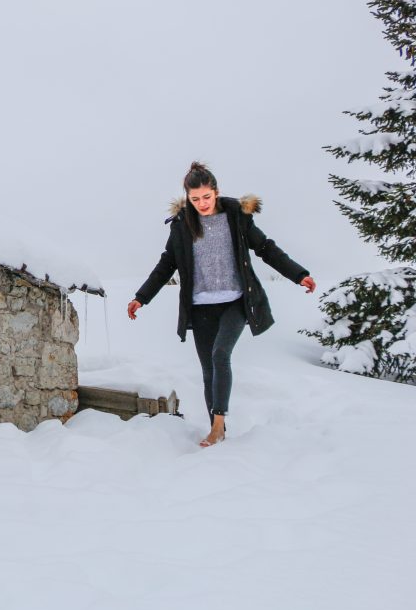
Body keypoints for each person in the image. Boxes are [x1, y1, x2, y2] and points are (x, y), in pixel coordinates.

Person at [127, 162, 316, 448]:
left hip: (236, 302)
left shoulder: (236, 217)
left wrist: (298, 274)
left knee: (220, 354)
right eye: (195, 199)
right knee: (208, 370)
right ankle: (219, 427)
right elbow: (166, 265)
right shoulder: (181, 226)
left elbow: (266, 248)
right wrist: (141, 297)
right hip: (201, 307)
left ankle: (216, 428)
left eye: (206, 197)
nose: (201, 204)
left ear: (216, 192)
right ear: (187, 198)